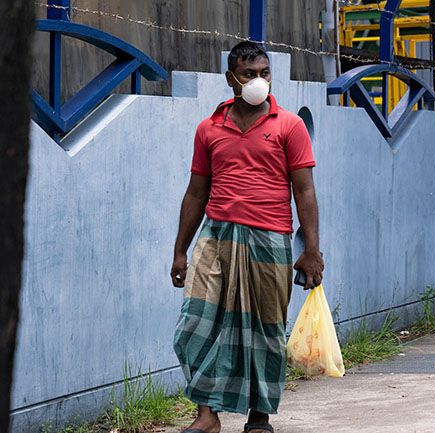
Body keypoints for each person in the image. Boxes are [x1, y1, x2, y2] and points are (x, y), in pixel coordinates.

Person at [170, 41, 324, 433]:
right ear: (230, 79)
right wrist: (180, 252)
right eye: (249, 74)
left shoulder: (289, 125)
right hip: (216, 236)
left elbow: (304, 191)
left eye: (264, 73)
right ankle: (207, 416)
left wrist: (311, 251)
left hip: (270, 238)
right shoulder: (209, 128)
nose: (258, 81)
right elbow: (196, 192)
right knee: (196, 324)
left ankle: (259, 417)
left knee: (265, 329)